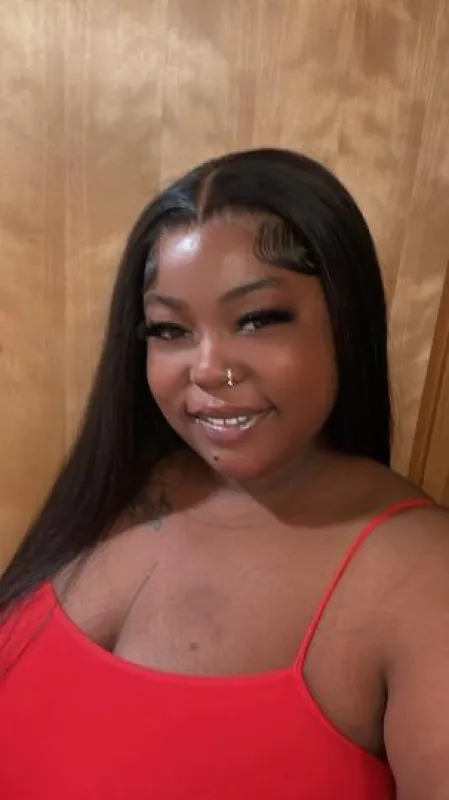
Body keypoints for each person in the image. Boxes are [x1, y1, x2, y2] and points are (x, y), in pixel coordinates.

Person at [1, 148, 448, 799]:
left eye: (258, 319)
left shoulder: (422, 577)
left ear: (345, 322)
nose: (208, 368)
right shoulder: (122, 482)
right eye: (169, 329)